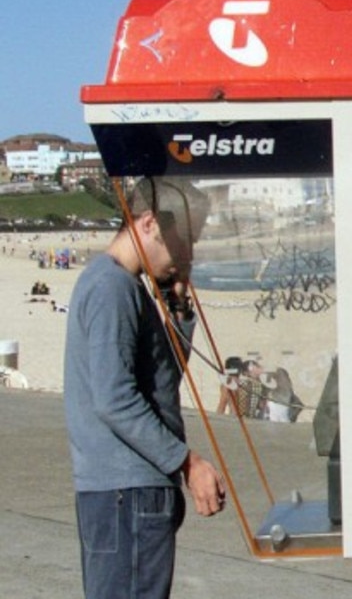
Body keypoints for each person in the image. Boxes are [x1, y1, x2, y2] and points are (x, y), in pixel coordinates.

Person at [63, 177, 225, 599]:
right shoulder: (112, 287)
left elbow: (161, 379)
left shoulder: (124, 286)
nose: (187, 254)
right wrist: (188, 463)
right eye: (184, 240)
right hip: (127, 492)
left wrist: (178, 307)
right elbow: (114, 398)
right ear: (150, 223)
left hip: (123, 491)